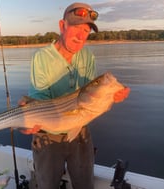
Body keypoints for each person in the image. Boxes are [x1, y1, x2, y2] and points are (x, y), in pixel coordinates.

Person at [20, 2, 130, 189]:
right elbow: (39, 101)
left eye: (86, 30)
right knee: (47, 185)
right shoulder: (42, 57)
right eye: (76, 27)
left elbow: (91, 99)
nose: (81, 36)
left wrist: (111, 97)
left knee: (85, 184)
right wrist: (31, 119)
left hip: (80, 130)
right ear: (62, 26)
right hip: (48, 136)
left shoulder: (87, 57)